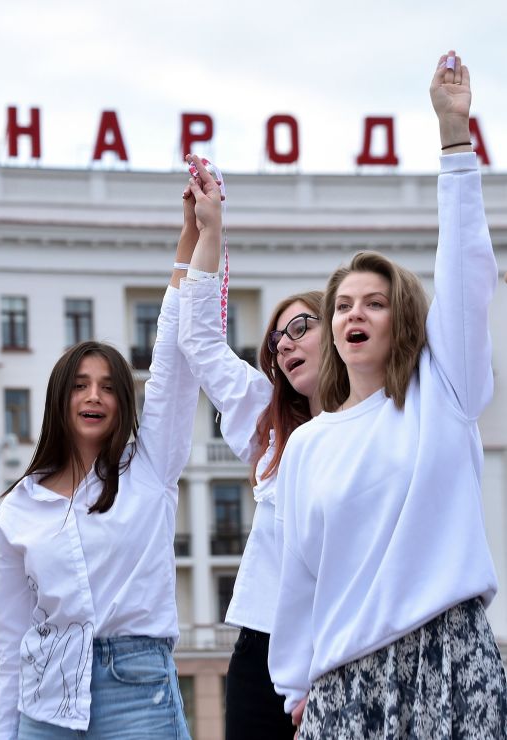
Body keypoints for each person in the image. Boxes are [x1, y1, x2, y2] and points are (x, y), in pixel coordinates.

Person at [269, 51, 507, 738]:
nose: (354, 316)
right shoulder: (310, 446)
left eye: (374, 303)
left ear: (402, 318)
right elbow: (301, 579)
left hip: (450, 662)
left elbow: (465, 275)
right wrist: (295, 683)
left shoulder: (445, 394)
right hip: (345, 680)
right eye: (342, 305)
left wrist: (454, 139)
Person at [0, 178, 210, 739]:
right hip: (44, 699)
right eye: (81, 386)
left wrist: (190, 243)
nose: (94, 397)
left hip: (135, 688)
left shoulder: (150, 466)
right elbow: (10, 638)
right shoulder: (20, 505)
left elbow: (172, 365)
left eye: (108, 386)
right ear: (59, 398)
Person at [177, 158, 321, 739]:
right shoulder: (268, 424)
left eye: (302, 326)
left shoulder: (376, 425)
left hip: (345, 642)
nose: (285, 343)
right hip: (261, 645)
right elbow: (200, 343)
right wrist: (209, 233)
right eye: (277, 336)